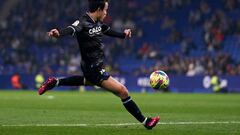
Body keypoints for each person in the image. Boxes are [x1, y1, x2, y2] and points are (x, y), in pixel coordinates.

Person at [38, 0, 159, 129]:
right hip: (93, 67)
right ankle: (146, 122)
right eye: (105, 10)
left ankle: (56, 82)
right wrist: (59, 33)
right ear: (99, 9)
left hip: (92, 66)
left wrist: (123, 35)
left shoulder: (98, 23)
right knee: (123, 91)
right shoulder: (82, 21)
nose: (106, 13)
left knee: (89, 82)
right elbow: (71, 29)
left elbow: (107, 30)